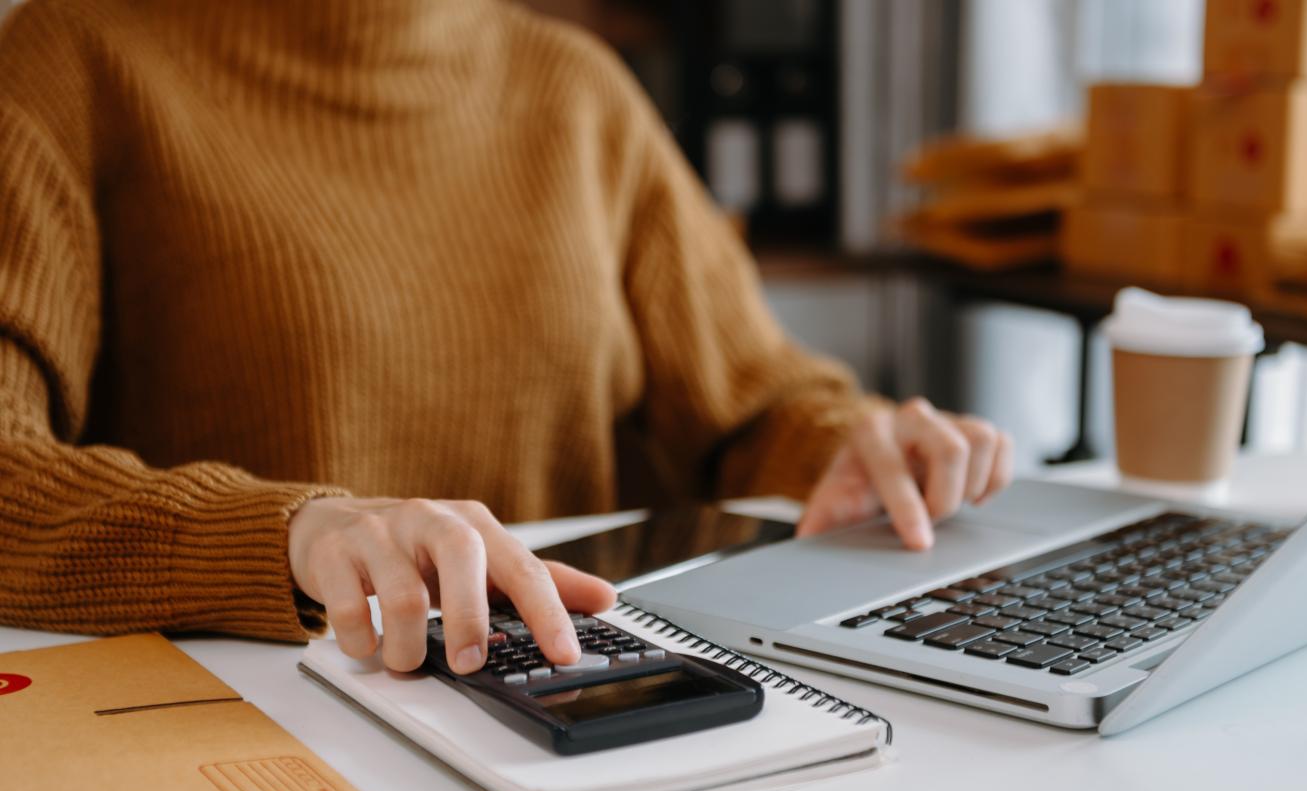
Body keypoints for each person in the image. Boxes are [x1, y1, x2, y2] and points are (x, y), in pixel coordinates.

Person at [0, 0, 1012, 676]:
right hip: (269, 736)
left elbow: (755, 401)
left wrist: (853, 447)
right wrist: (296, 535)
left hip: (578, 717)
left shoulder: (575, 86)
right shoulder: (72, 59)